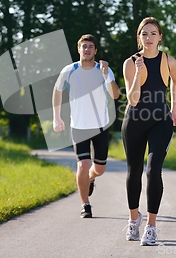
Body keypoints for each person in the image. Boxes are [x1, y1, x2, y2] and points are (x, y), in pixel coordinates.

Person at [121, 17, 176, 245]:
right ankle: (133, 220)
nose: (149, 38)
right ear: (139, 37)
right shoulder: (130, 62)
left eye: (153, 33)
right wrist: (138, 72)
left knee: (153, 171)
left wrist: (173, 108)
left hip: (160, 121)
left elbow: (175, 82)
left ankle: (151, 226)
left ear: (160, 37)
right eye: (144, 34)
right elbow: (133, 100)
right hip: (135, 120)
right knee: (134, 171)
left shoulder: (168, 61)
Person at [53, 34, 120, 218]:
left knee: (99, 169)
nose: (87, 49)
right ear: (79, 49)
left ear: (95, 51)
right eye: (84, 46)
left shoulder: (104, 70)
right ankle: (85, 204)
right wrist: (56, 117)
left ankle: (90, 178)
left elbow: (115, 95)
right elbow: (57, 91)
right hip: (79, 127)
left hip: (100, 126)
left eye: (91, 46)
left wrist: (107, 76)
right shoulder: (69, 70)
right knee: (83, 164)